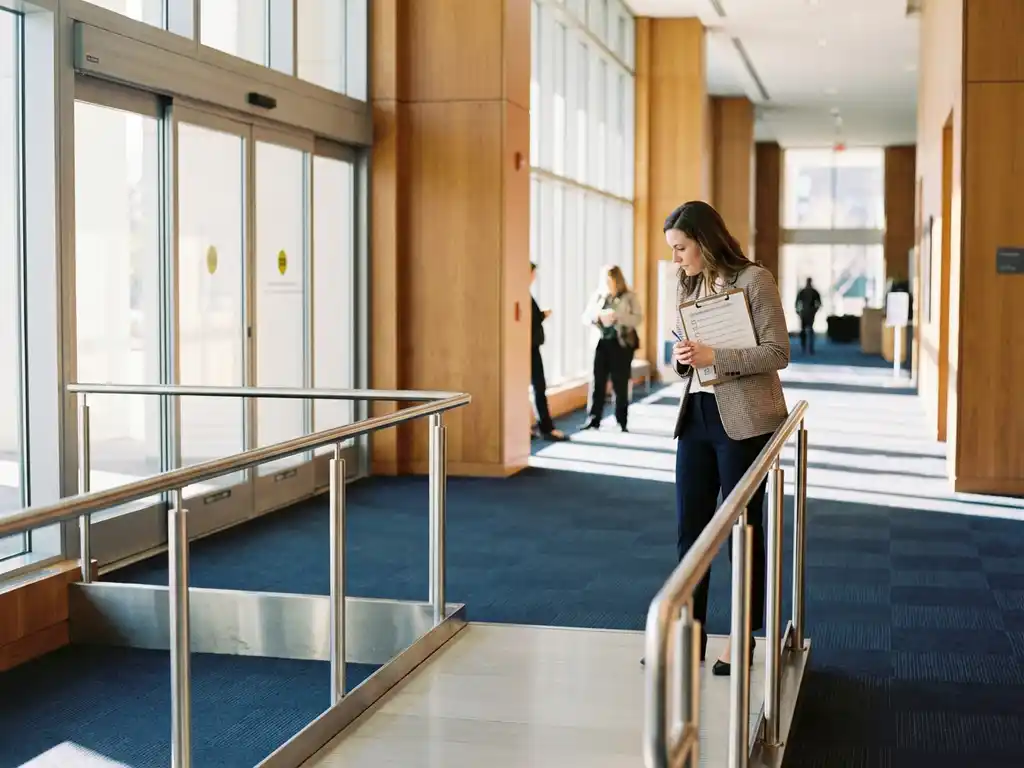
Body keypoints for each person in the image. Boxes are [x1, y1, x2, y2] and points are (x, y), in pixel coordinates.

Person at [663, 200, 790, 675]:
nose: (677, 259)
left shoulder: (754, 280)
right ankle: (689, 632)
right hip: (695, 414)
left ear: (705, 241)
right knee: (689, 530)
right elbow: (681, 351)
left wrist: (716, 354)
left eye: (681, 249)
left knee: (742, 531)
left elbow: (778, 352)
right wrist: (682, 357)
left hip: (744, 421)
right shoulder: (687, 282)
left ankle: (742, 638)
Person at [580, 265, 642, 433]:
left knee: (620, 382)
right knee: (597, 381)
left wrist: (619, 317)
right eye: (606, 280)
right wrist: (597, 317)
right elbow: (586, 317)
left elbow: (638, 318)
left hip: (620, 344)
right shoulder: (599, 296)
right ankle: (594, 419)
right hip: (601, 343)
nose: (609, 283)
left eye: (611, 279)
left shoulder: (629, 296)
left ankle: (621, 420)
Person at [529, 263, 567, 441]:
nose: (533, 277)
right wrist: (543, 315)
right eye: (532, 273)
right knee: (538, 387)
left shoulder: (524, 294)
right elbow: (529, 321)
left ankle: (540, 426)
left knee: (537, 387)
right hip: (527, 348)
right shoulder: (520, 294)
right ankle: (545, 427)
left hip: (530, 347)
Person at [795, 278, 821, 354]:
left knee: (809, 330)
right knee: (804, 331)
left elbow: (819, 303)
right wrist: (798, 311)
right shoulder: (803, 292)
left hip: (809, 313)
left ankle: (810, 347)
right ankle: (805, 347)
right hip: (804, 313)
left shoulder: (813, 292)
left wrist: (815, 311)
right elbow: (797, 303)